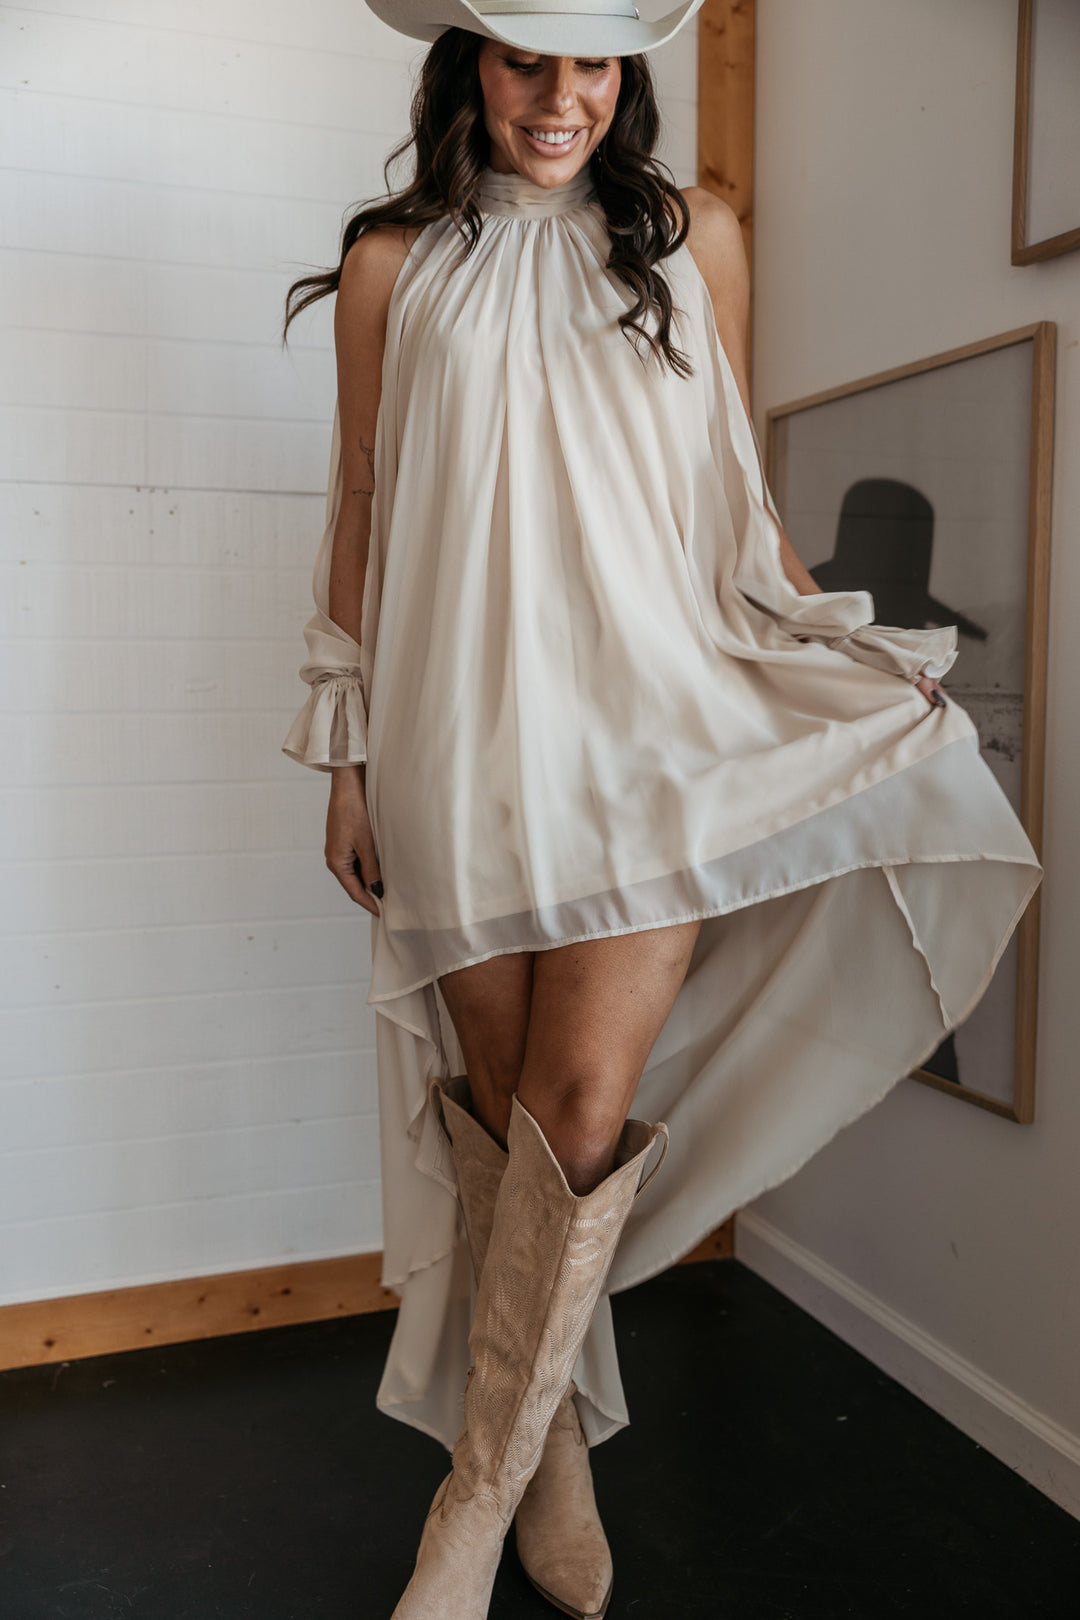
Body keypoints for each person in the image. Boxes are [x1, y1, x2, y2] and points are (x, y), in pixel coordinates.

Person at [281, 4, 1043, 1615]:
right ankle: (545, 1443)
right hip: (457, 729)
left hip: (659, 728)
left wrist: (837, 649)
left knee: (573, 1108)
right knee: (502, 1118)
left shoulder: (698, 236)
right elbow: (359, 503)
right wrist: (345, 757)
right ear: (465, 68)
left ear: (629, 76)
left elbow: (737, 495)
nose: (562, 101)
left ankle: (472, 1507)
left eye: (595, 65)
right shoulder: (389, 266)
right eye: (525, 61)